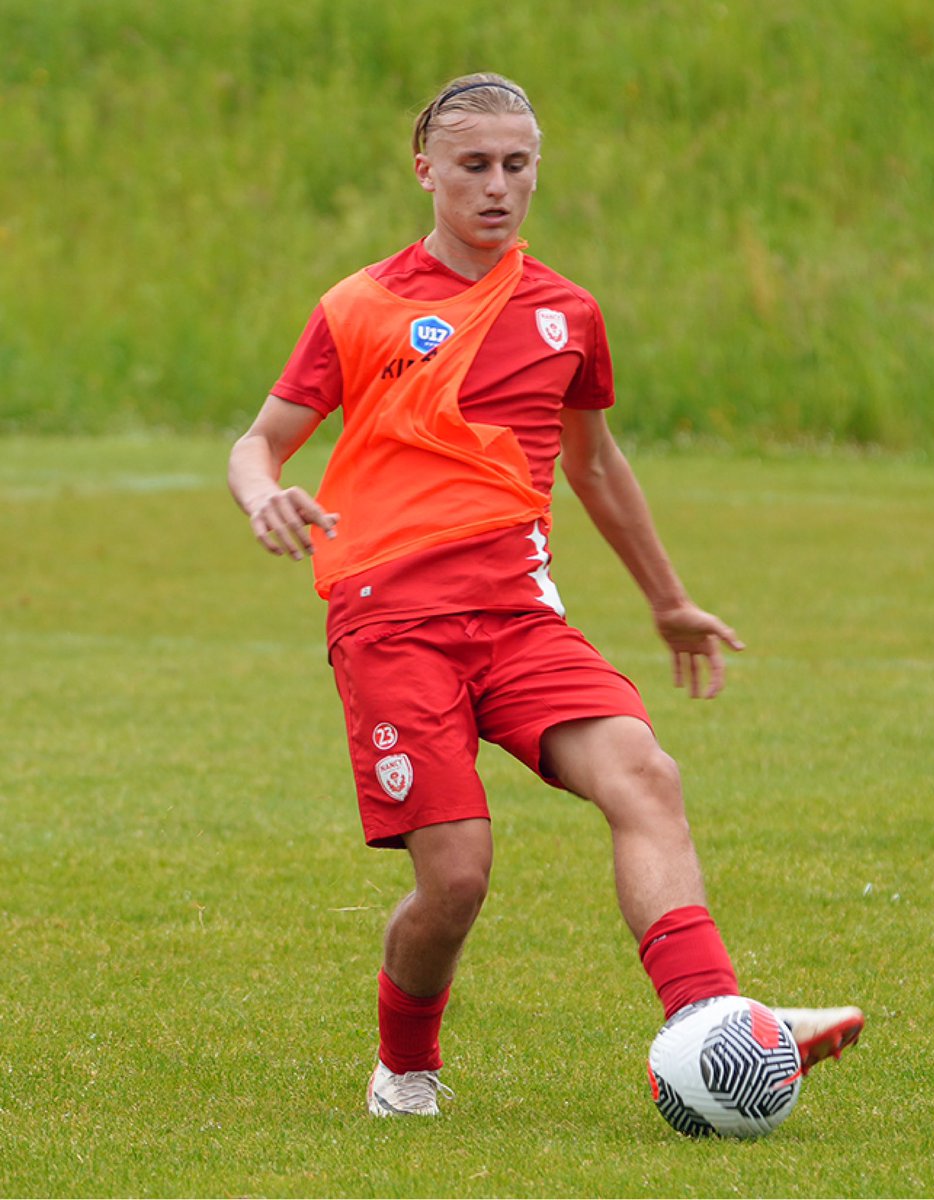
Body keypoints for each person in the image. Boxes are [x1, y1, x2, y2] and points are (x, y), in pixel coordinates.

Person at [228, 72, 863, 1118]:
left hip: (519, 620)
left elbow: (597, 465)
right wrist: (264, 497)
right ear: (425, 171)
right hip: (392, 624)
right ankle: (406, 1068)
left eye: (516, 165)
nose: (497, 186)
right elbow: (259, 442)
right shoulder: (362, 306)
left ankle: (709, 1017)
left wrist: (669, 599)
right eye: (473, 165)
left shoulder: (567, 312)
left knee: (644, 773)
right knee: (458, 879)